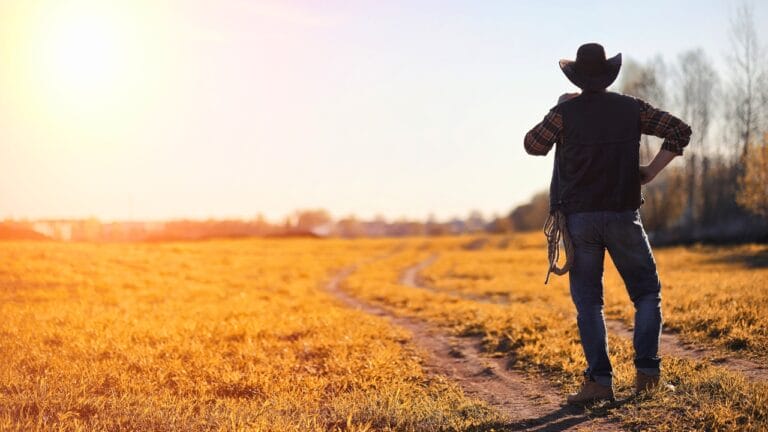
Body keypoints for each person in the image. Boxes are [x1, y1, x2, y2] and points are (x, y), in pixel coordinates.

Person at [523, 43, 692, 404]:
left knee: (589, 304)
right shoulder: (631, 108)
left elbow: (533, 145)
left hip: (580, 221)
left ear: (577, 78)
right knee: (647, 295)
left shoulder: (565, 113)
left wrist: (560, 107)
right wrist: (650, 171)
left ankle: (599, 383)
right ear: (608, 74)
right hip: (623, 215)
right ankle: (647, 377)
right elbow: (680, 132)